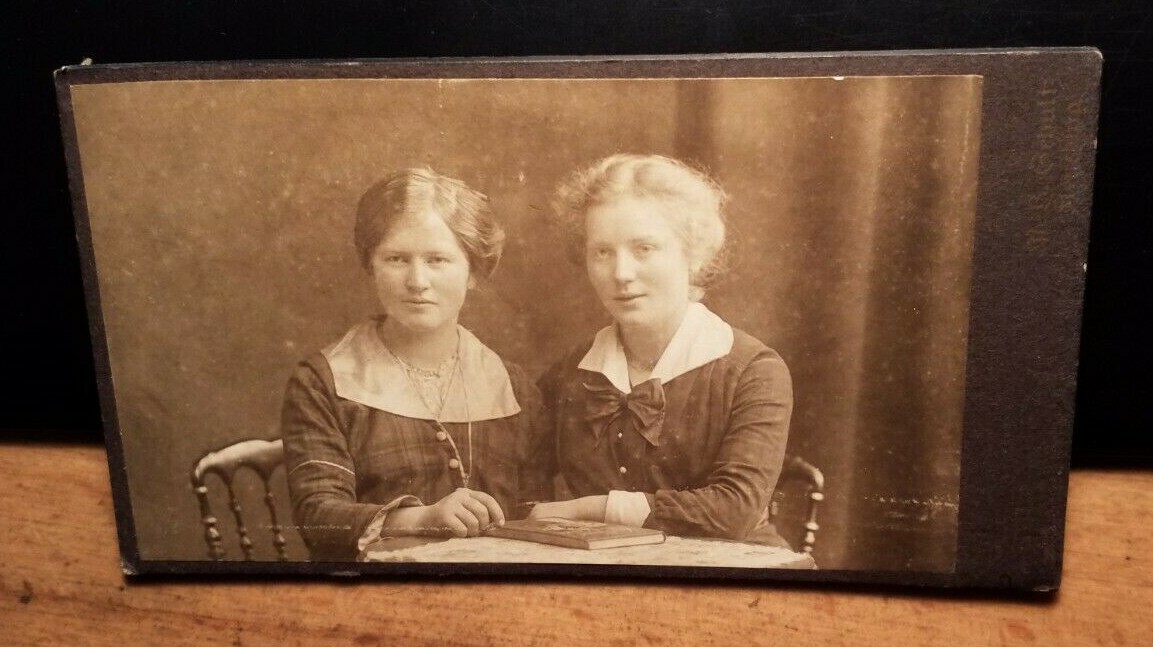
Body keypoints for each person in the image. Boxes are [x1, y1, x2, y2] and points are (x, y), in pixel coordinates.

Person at [282, 168, 548, 560]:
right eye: (396, 258)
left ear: (473, 272)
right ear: (371, 265)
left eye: (438, 259)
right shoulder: (323, 382)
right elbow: (318, 516)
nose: (417, 280)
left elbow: (534, 512)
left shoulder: (514, 387)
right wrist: (422, 518)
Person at [532, 154, 794, 546]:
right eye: (602, 252)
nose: (621, 273)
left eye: (644, 249)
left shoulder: (752, 371)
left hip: (732, 569)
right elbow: (519, 486)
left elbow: (733, 510)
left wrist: (591, 509)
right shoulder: (568, 374)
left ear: (694, 255)